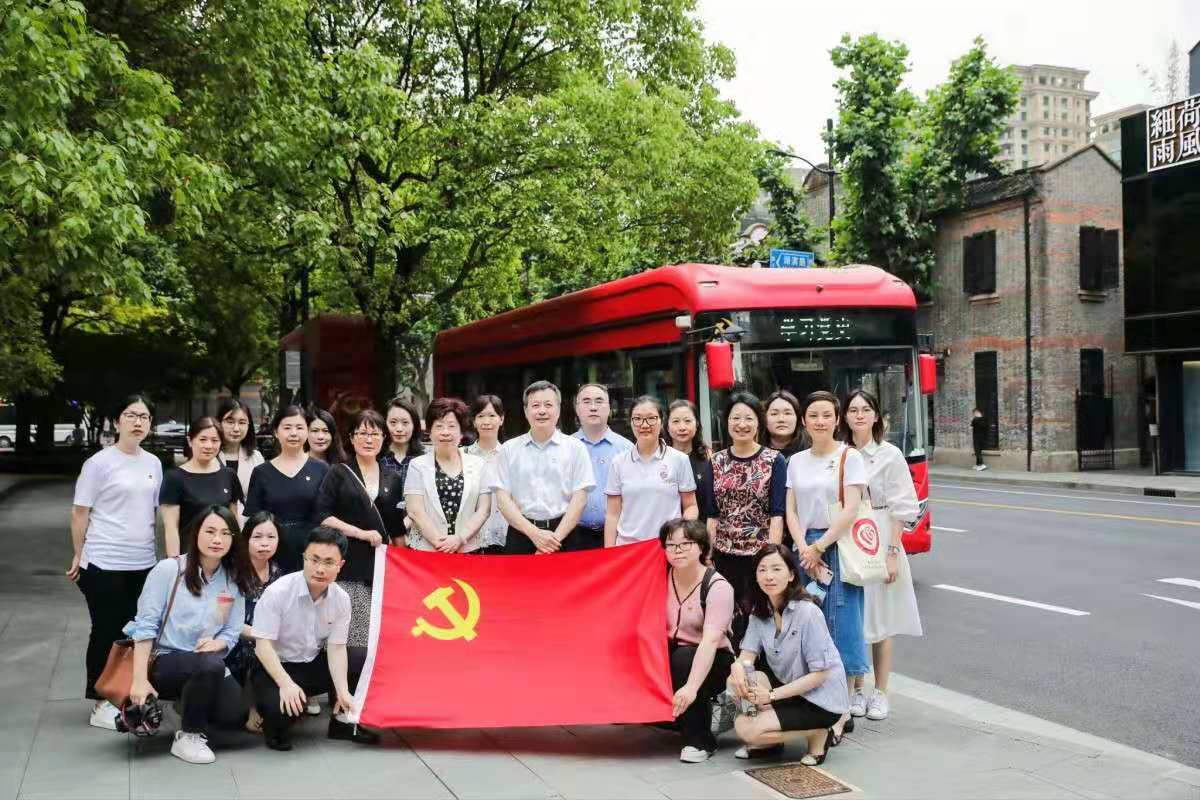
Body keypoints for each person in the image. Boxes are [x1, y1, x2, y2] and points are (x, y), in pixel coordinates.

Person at [125, 506, 252, 764]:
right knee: (209, 665)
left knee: (234, 715)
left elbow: (232, 630)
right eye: (210, 531)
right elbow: (145, 627)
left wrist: (219, 642)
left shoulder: (233, 578)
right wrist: (139, 680)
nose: (217, 539)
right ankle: (189, 736)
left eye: (225, 533)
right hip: (164, 660)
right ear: (196, 533)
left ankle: (183, 705)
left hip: (207, 662)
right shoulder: (169, 570)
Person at [69, 394, 163, 731]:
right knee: (106, 630)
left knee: (136, 632)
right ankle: (100, 702)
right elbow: (80, 512)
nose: (138, 422)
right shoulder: (98, 463)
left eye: (144, 416)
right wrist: (79, 553)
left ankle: (126, 694)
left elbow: (153, 512)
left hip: (143, 561)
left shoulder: (154, 463)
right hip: (104, 561)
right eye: (130, 415)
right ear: (116, 421)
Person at [250, 526, 380, 750]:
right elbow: (263, 647)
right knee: (279, 720)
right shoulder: (278, 592)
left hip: (311, 664)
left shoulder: (341, 599)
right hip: (274, 668)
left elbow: (336, 648)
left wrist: (342, 690)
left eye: (329, 562)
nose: (320, 569)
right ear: (304, 558)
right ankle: (279, 718)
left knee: (360, 657)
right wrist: (286, 684)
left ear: (340, 566)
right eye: (314, 560)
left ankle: (342, 723)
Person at [787, 390, 868, 744]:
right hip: (804, 548)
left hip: (837, 544)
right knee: (811, 625)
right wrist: (804, 547)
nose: (820, 421)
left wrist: (820, 546)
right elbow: (790, 509)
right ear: (804, 421)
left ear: (837, 419)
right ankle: (819, 701)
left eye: (826, 415)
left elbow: (852, 509)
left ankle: (843, 709)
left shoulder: (850, 457)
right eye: (813, 415)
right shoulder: (796, 461)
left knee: (842, 623)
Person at [841, 389, 922, 722]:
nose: (859, 415)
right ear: (845, 416)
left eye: (866, 409)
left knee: (882, 618)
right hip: (848, 536)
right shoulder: (841, 453)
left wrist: (892, 552)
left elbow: (903, 505)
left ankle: (881, 691)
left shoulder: (890, 455)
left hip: (881, 535)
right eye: (853, 409)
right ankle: (857, 688)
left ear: (876, 416)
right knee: (855, 616)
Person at [728, 545, 847, 764]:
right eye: (762, 570)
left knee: (749, 731)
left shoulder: (808, 612)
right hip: (789, 689)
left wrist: (771, 696)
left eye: (776, 569)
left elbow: (820, 675)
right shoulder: (759, 612)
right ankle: (770, 740)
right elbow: (747, 657)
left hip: (820, 700)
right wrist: (737, 666)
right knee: (736, 684)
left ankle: (821, 732)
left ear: (791, 575)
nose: (768, 576)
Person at [314, 409, 405, 647]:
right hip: (348, 563)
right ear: (352, 438)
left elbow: (396, 527)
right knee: (351, 637)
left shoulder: (393, 477)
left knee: (381, 634)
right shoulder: (339, 472)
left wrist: (405, 564)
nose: (368, 439)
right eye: (362, 433)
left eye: (375, 434)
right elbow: (323, 516)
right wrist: (360, 533)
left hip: (381, 566)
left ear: (384, 438)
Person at [701, 392, 786, 609]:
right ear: (727, 422)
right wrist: (708, 556)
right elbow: (712, 515)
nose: (742, 424)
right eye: (735, 418)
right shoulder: (716, 461)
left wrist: (772, 557)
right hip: (724, 557)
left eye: (748, 418)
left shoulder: (774, 460)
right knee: (727, 614)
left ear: (759, 422)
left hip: (759, 557)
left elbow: (777, 514)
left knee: (761, 613)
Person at [491, 380, 595, 555]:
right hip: (521, 533)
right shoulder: (509, 449)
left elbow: (580, 499)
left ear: (558, 410)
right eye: (535, 405)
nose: (542, 411)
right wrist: (534, 534)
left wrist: (553, 541)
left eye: (548, 405)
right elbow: (503, 499)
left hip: (563, 534)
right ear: (526, 411)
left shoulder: (575, 448)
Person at [662, 519, 735, 763]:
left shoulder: (718, 586)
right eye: (671, 545)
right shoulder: (659, 576)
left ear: (702, 547)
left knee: (683, 659)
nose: (677, 550)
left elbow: (710, 642)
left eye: (685, 544)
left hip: (713, 658)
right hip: (672, 653)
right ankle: (677, 719)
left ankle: (700, 741)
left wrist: (691, 688)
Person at [244, 406, 330, 573]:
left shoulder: (321, 469)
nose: (293, 433)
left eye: (299, 427)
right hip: (273, 551)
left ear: (307, 431)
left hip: (312, 550)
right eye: (287, 427)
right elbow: (253, 519)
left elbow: (328, 514)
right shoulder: (261, 472)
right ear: (276, 432)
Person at [604, 397, 697, 546]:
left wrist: (681, 535)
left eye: (651, 418)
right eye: (638, 419)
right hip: (628, 547)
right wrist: (610, 552)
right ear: (631, 422)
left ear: (661, 421)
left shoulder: (679, 459)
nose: (644, 425)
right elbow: (612, 515)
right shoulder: (618, 462)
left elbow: (690, 506)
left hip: (667, 547)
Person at [405, 397, 492, 553]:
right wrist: (442, 545)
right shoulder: (417, 465)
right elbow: (415, 511)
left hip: (468, 549)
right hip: (428, 551)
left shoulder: (479, 464)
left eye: (452, 426)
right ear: (430, 432)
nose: (445, 432)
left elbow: (483, 510)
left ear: (461, 432)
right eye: (439, 426)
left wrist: (459, 539)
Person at [225, 511, 285, 732]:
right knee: (253, 649)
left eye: (271, 537)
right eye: (257, 537)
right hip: (235, 634)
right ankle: (251, 707)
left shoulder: (278, 572)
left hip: (267, 635)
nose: (264, 543)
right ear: (246, 539)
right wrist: (261, 634)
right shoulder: (232, 571)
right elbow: (226, 619)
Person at [159, 417, 241, 556]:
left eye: (215, 440)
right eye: (203, 439)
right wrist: (175, 562)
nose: (209, 446)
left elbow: (234, 522)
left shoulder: (229, 475)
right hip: (189, 557)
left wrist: (238, 555)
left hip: (222, 556)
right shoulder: (174, 478)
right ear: (190, 441)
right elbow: (171, 529)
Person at [572, 383, 633, 549]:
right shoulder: (566, 447)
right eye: (586, 401)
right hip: (573, 536)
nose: (593, 407)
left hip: (618, 535)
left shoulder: (626, 448)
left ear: (609, 408)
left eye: (599, 401)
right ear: (577, 409)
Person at [464, 395, 508, 554]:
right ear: (474, 421)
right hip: (468, 537)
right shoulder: (462, 455)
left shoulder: (510, 455)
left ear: (501, 419)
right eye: (481, 416)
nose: (486, 421)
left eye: (492, 415)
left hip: (504, 535)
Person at [381, 397, 424, 531]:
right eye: (393, 422)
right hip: (382, 531)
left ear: (414, 425)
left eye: (405, 423)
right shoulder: (376, 458)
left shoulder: (424, 460)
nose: (399, 428)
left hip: (419, 530)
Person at [216, 398, 265, 511]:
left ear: (249, 425)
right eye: (230, 422)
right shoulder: (209, 455)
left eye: (242, 422)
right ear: (219, 423)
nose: (236, 428)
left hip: (248, 519)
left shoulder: (256, 458)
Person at [667, 399, 710, 522]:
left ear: (697, 424)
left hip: (703, 527)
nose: (682, 427)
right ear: (667, 426)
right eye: (676, 421)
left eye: (687, 421)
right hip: (669, 530)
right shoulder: (661, 458)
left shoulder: (709, 457)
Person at [764, 390, 805, 459]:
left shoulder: (811, 451)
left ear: (798, 418)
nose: (781, 419)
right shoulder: (753, 451)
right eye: (774, 414)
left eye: (787, 413)